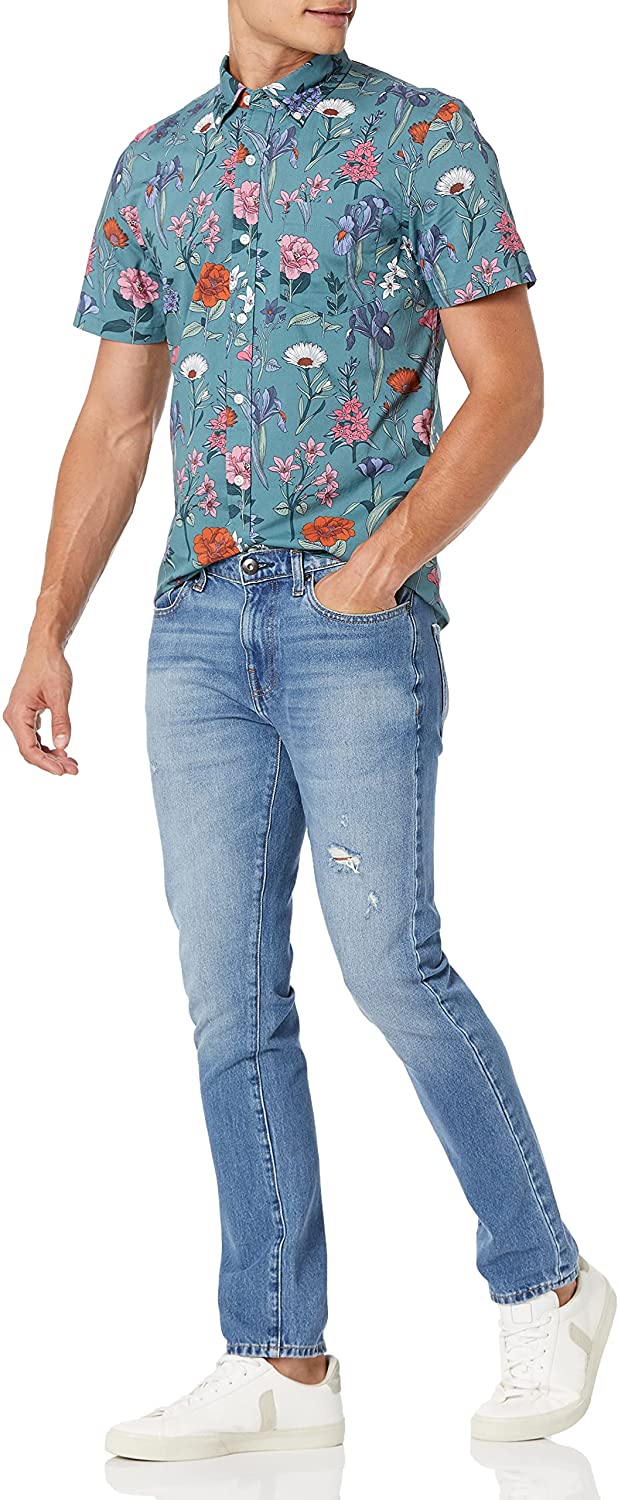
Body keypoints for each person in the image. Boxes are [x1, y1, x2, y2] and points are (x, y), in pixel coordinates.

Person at [4, 0, 614, 1463]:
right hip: (195, 627)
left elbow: (511, 392)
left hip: (355, 622)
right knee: (228, 1000)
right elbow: (116, 420)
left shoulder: (424, 137)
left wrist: (380, 566)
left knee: (389, 962)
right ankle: (279, 1358)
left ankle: (545, 1280)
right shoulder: (154, 165)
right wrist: (47, 627)